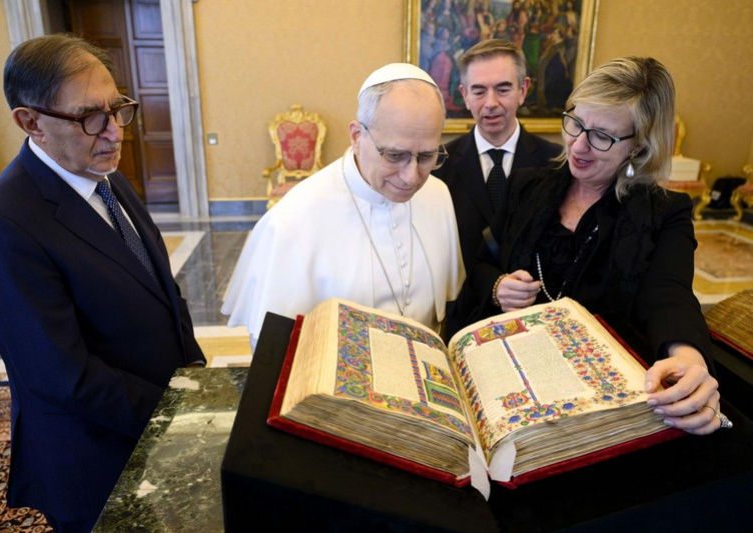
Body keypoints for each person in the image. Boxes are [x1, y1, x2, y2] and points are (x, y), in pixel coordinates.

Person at [0, 34, 205, 531]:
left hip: (155, 420)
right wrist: (172, 417)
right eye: (90, 116)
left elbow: (159, 287)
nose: (116, 133)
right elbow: (62, 377)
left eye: (117, 109)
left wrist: (194, 373)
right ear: (30, 122)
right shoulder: (1, 222)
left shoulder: (107, 176)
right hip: (94, 455)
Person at [469, 56, 724, 435]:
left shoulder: (663, 212)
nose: (579, 146)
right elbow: (478, 262)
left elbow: (668, 294)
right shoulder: (527, 186)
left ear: (638, 146)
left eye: (603, 136)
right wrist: (497, 286)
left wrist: (688, 357)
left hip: (597, 402)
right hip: (514, 381)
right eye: (576, 123)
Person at [222, 63, 464, 349]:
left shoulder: (438, 195)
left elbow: (446, 311)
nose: (411, 177)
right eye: (394, 155)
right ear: (356, 136)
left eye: (426, 156)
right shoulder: (295, 219)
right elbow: (274, 354)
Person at [434, 39, 560, 333]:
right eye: (479, 90)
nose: (490, 102)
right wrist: (492, 284)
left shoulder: (556, 163)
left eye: (503, 89)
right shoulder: (439, 167)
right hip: (462, 322)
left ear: (523, 90)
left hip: (537, 321)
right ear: (464, 95)